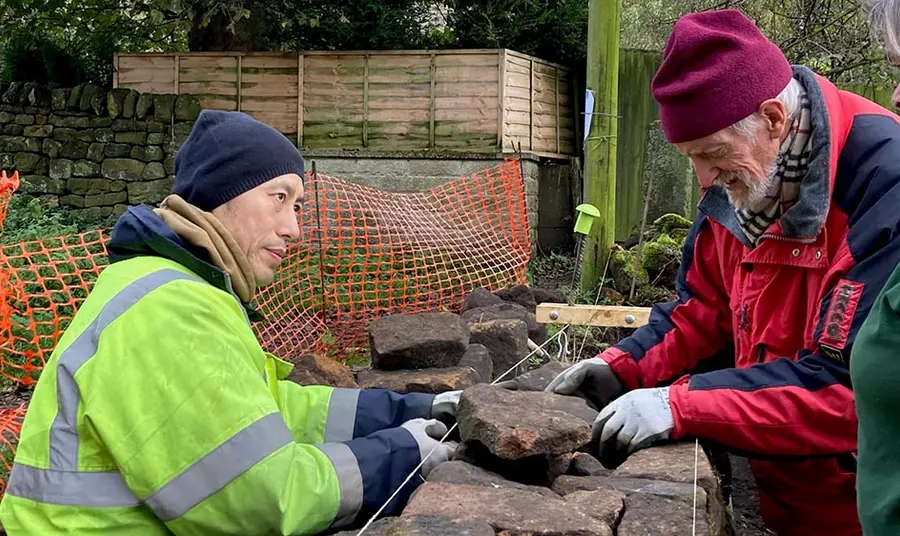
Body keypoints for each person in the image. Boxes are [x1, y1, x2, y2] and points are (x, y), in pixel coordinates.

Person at [0, 110, 460, 535]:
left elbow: (272, 412)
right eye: (278, 198)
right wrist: (401, 456)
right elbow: (258, 497)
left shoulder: (174, 285)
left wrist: (416, 411)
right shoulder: (171, 310)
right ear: (222, 196)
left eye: (296, 206)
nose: (292, 229)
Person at [546, 9, 900, 536]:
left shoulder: (883, 182)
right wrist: (620, 368)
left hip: (865, 509)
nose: (703, 178)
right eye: (690, 156)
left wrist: (678, 405)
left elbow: (848, 388)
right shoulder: (744, 180)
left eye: (711, 154)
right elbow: (700, 312)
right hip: (785, 496)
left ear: (775, 119)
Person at [849, 1, 900, 533]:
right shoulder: (731, 198)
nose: (896, 97)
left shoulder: (882, 182)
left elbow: (831, 377)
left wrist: (687, 405)